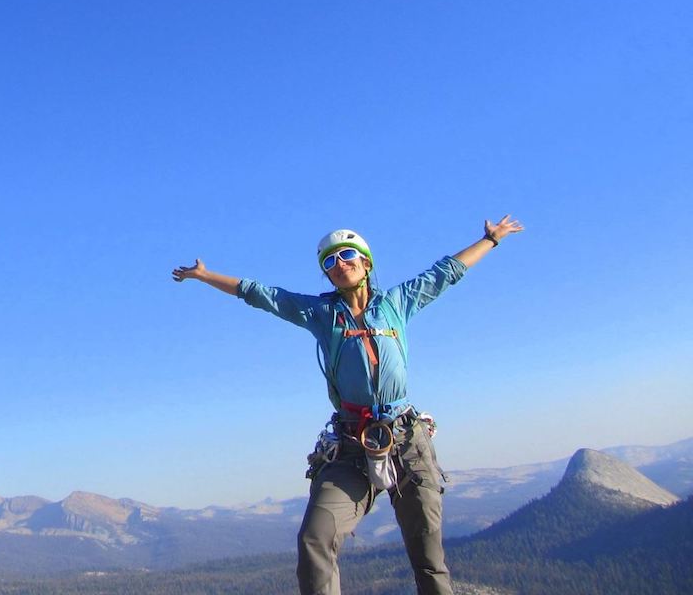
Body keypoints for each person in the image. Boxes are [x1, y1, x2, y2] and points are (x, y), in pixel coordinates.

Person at [171, 216, 524, 595]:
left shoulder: (396, 303)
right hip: (351, 445)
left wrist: (491, 239)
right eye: (329, 261)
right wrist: (204, 276)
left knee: (429, 561)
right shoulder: (321, 314)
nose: (340, 264)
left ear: (366, 262)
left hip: (406, 438)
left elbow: (446, 273)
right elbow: (263, 295)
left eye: (348, 255)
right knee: (315, 540)